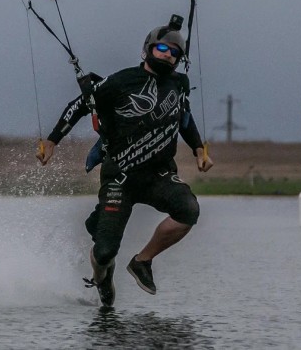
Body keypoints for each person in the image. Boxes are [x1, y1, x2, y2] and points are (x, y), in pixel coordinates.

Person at [36, 20, 213, 307]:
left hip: (159, 175)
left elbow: (185, 119)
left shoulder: (178, 85)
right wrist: (53, 141)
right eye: (163, 48)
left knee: (188, 210)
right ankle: (102, 279)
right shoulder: (120, 82)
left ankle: (142, 261)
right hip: (120, 177)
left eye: (175, 53)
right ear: (148, 49)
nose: (168, 54)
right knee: (104, 252)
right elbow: (80, 105)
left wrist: (198, 149)